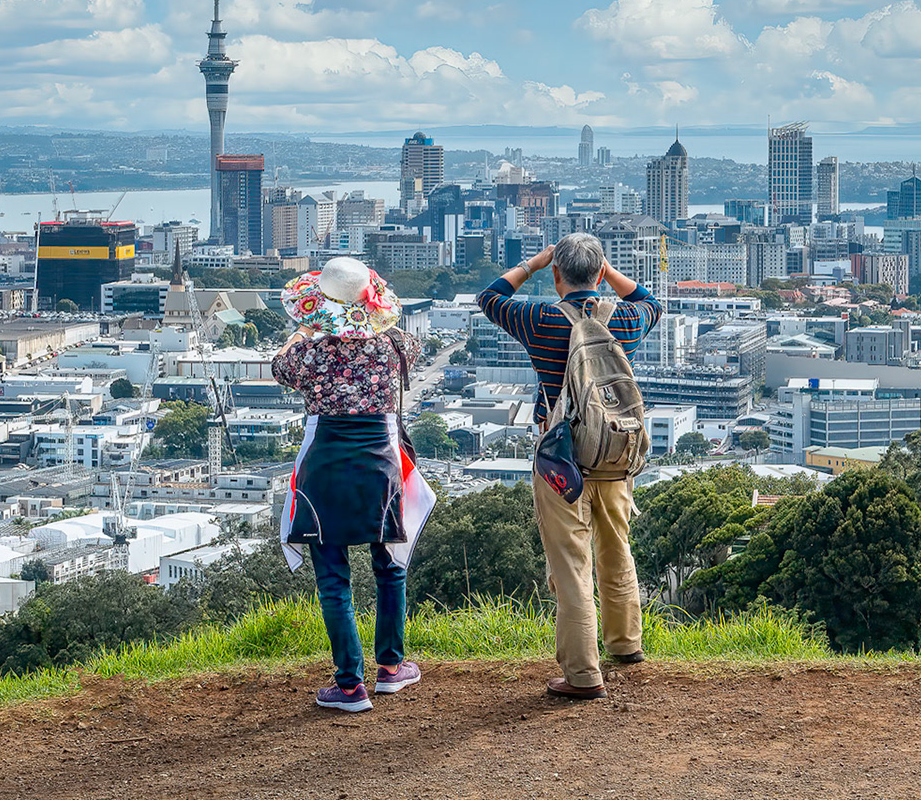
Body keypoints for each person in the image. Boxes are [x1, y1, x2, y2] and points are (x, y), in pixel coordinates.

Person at [477, 232, 662, 700]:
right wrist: (605, 271)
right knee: (616, 547)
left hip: (561, 457)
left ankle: (582, 674)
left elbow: (491, 297)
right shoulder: (627, 319)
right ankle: (626, 644)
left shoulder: (539, 319)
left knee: (570, 563)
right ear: (600, 273)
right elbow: (649, 301)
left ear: (557, 274)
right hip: (614, 453)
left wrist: (537, 263)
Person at [273, 256, 437, 713]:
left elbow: (281, 364)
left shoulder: (306, 355)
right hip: (379, 467)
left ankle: (349, 685)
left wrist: (306, 330)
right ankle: (390, 667)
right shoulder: (396, 346)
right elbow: (401, 335)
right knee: (390, 566)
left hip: (323, 468)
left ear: (319, 304)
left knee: (332, 579)